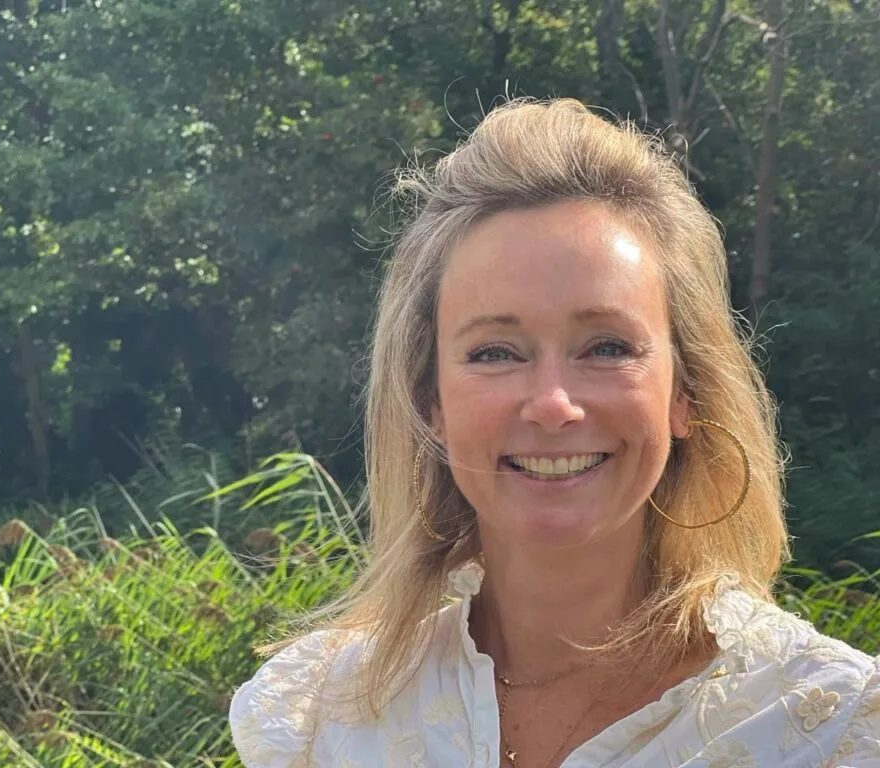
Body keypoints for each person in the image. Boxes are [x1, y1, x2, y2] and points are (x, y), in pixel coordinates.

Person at [228, 98, 880, 767]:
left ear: (684, 392)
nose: (553, 404)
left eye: (606, 347)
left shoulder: (828, 730)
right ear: (433, 405)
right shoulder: (322, 718)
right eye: (495, 352)